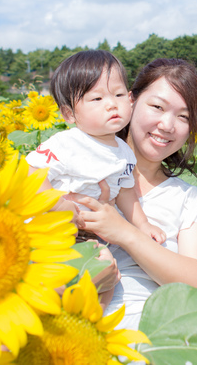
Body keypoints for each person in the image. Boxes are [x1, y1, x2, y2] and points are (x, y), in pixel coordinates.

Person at [68, 58, 197, 330]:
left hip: (157, 341)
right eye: (157, 107)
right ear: (131, 101)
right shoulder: (75, 167)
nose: (168, 125)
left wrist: (125, 233)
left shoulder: (187, 199)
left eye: (183, 116)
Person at [27, 49, 165, 245]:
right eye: (97, 99)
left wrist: (143, 225)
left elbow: (125, 192)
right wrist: (57, 205)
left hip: (93, 237)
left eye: (118, 94)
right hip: (52, 230)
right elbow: (31, 172)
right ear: (69, 114)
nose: (112, 104)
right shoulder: (67, 143)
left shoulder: (125, 152)